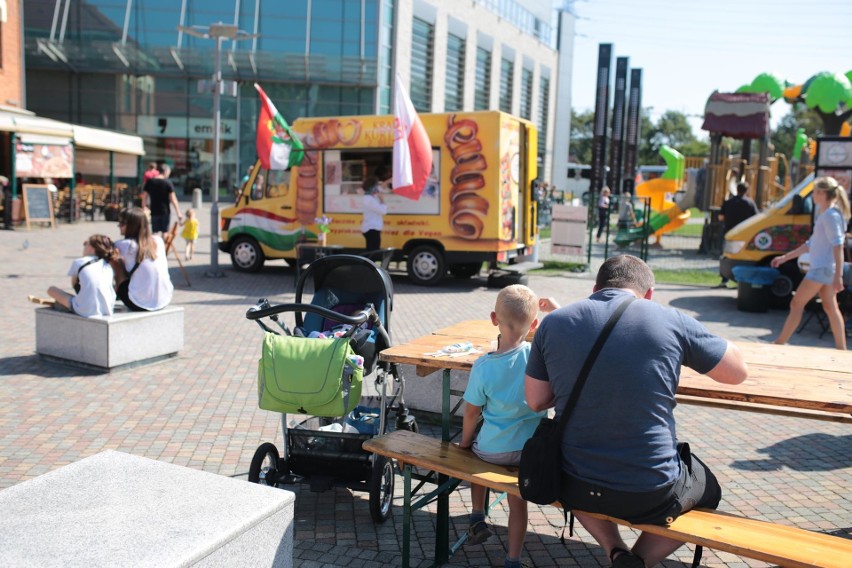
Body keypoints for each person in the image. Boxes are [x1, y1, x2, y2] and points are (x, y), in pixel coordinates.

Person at [525, 255, 748, 568]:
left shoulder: (554, 323)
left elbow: (535, 401)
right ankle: (639, 561)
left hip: (574, 482)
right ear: (649, 293)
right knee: (708, 490)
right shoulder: (671, 319)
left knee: (582, 477)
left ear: (595, 288)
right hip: (651, 493)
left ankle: (614, 549)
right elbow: (737, 372)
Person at [459, 285, 553, 568]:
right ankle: (513, 559)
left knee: (473, 453)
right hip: (529, 454)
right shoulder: (539, 357)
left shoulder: (483, 366)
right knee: (517, 502)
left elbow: (471, 412)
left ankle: (477, 515)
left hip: (492, 452)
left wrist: (464, 443)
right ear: (534, 324)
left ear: (493, 318)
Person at [771, 176, 850, 350]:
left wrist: (838, 276)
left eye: (815, 192)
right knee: (831, 307)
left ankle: (779, 343)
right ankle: (842, 349)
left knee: (796, 303)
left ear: (823, 193)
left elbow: (838, 245)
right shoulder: (827, 214)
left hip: (821, 269)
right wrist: (785, 258)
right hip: (824, 269)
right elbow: (810, 245)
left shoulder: (830, 215)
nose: (813, 195)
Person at [112, 207, 174, 312]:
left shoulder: (124, 245)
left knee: (114, 261)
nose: (119, 226)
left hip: (138, 303)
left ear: (131, 226)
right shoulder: (158, 240)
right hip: (165, 298)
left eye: (122, 223)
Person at [47, 235, 117, 317]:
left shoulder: (79, 262)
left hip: (85, 310)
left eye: (85, 243)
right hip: (107, 308)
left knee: (51, 289)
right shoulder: (107, 265)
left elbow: (74, 284)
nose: (83, 246)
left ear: (91, 248)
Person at [718, 182, 759, 286]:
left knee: (726, 256)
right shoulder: (749, 203)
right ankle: (740, 281)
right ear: (747, 190)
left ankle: (724, 280)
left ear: (736, 189)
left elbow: (721, 217)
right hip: (744, 234)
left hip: (729, 233)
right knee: (743, 257)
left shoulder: (728, 202)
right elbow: (756, 218)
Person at [141, 164, 183, 236]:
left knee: (155, 231)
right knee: (165, 231)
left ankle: (155, 246)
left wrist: (144, 207)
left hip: (154, 210)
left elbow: (144, 196)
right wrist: (178, 213)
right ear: (165, 172)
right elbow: (173, 199)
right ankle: (163, 246)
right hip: (165, 210)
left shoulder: (150, 182)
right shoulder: (167, 182)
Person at [360, 175, 387, 251]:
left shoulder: (370, 198)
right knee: (373, 252)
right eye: (376, 185)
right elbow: (383, 211)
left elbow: (381, 187)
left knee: (372, 251)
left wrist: (389, 180)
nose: (377, 187)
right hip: (372, 228)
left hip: (372, 228)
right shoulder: (369, 200)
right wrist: (382, 200)